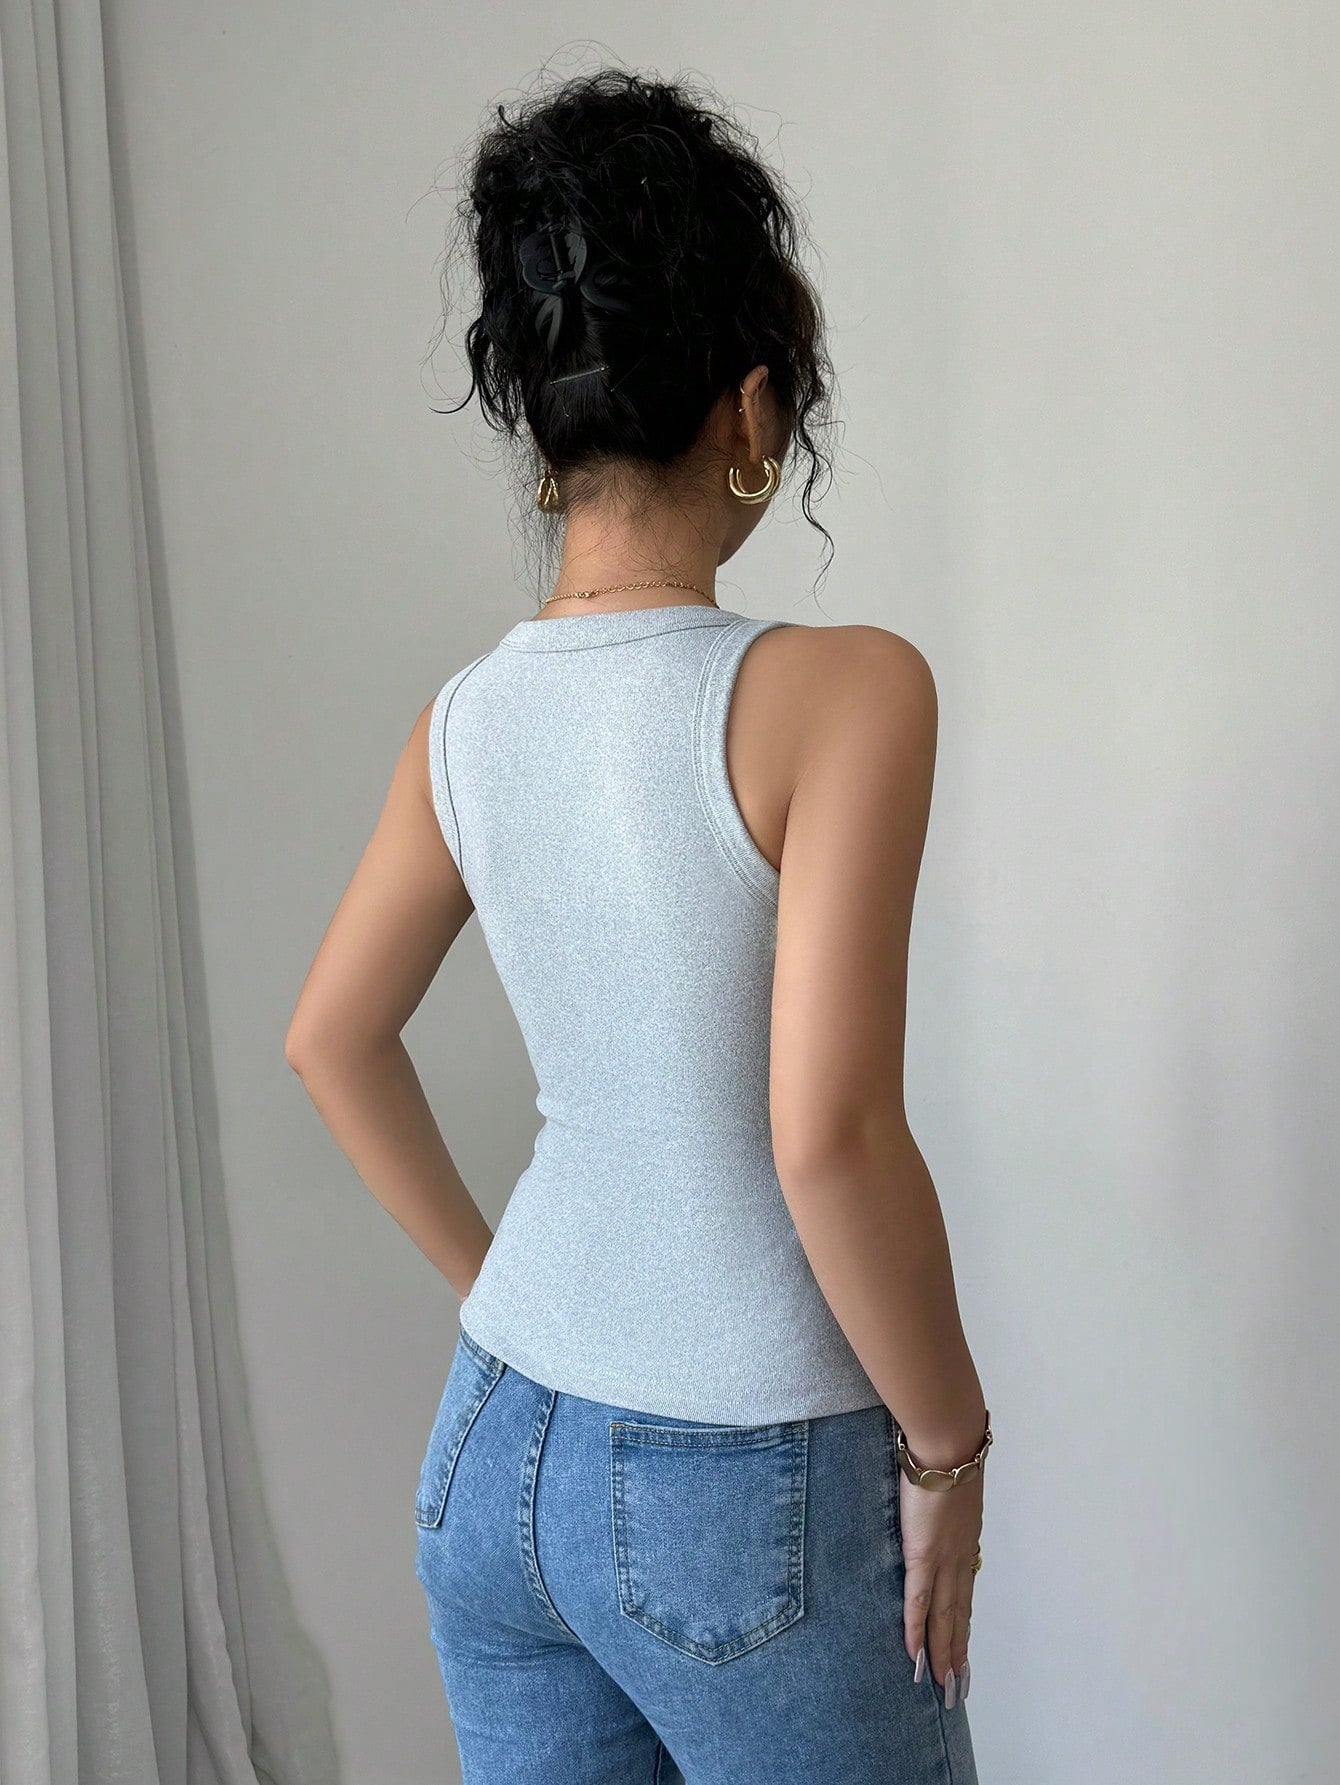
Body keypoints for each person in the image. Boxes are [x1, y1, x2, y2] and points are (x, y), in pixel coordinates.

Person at [286, 67, 990, 1785]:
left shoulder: (465, 724)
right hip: (740, 1480)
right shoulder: (848, 692)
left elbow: (331, 1039)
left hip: (495, 1445)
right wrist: (949, 1447)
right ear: (750, 404)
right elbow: (828, 1137)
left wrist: (509, 1296)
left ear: (545, 420)